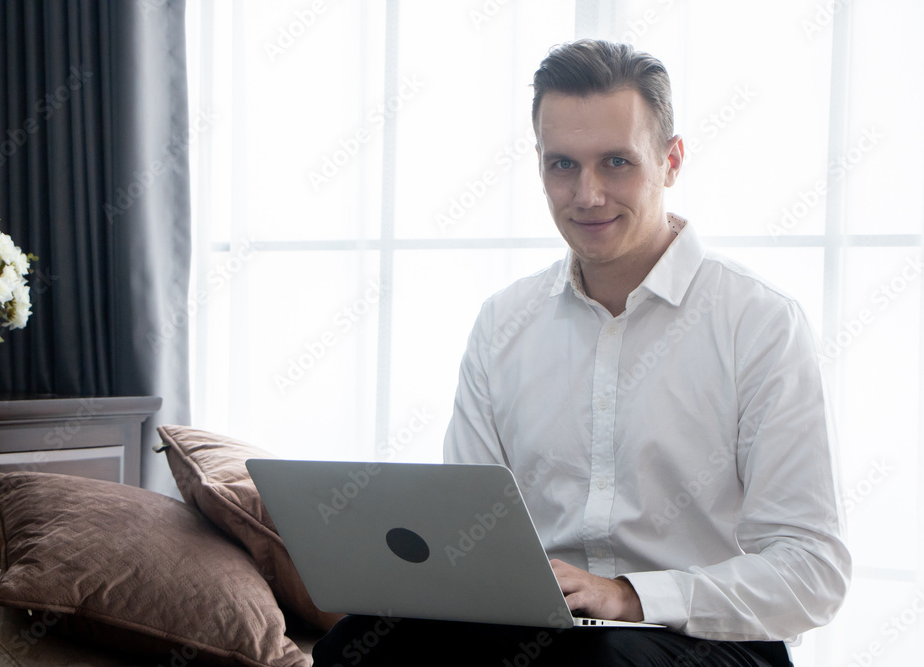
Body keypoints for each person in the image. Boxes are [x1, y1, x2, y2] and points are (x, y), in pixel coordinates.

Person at [312, 39, 850, 666]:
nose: (587, 194)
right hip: (543, 629)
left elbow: (812, 572)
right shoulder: (503, 323)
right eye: (562, 165)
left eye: (617, 162)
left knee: (594, 663)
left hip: (709, 640)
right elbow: (469, 535)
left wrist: (626, 595)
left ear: (671, 161)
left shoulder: (759, 324)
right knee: (358, 645)